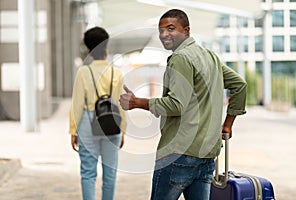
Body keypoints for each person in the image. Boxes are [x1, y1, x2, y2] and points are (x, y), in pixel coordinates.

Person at [119, 9, 247, 200]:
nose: (164, 35)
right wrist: (228, 123)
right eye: (161, 30)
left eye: (171, 29)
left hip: (178, 153)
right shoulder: (209, 56)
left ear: (186, 30)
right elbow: (240, 85)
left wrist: (138, 102)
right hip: (206, 155)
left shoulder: (180, 58)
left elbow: (176, 105)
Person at [69, 26, 127, 200]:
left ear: (89, 50)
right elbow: (121, 103)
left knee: (88, 172)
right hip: (112, 120)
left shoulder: (83, 72)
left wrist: (73, 130)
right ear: (106, 48)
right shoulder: (116, 72)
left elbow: (77, 104)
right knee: (110, 173)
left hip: (87, 121)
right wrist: (122, 129)